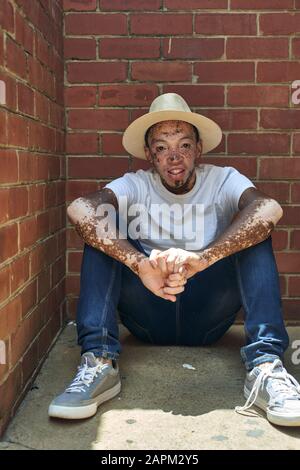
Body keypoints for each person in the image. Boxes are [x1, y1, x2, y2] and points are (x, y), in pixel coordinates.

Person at [48, 93, 300, 426]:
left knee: (255, 226)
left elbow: (269, 209)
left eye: (183, 145)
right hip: (147, 314)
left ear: (199, 149)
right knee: (101, 224)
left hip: (209, 314)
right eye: (162, 147)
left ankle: (266, 367)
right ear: (150, 155)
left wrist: (202, 259)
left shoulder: (223, 178)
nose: (174, 157)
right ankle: (98, 362)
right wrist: (141, 265)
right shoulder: (136, 184)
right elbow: (79, 209)